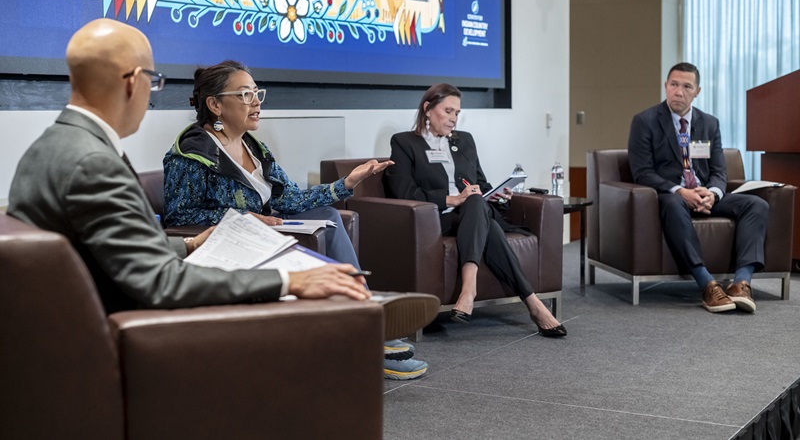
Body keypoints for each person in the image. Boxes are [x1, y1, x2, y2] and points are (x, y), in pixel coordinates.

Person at [7, 19, 437, 347]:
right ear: (130, 82)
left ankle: (358, 316)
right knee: (294, 281)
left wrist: (189, 246)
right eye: (152, 82)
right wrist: (287, 283)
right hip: (123, 326)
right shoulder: (92, 163)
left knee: (319, 228)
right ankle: (358, 320)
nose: (151, 94)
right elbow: (160, 283)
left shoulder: (58, 146)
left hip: (98, 310)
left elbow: (109, 252)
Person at [162, 59, 429, 379]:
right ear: (215, 104)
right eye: (245, 95)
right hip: (231, 244)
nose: (257, 102)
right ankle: (369, 328)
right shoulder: (190, 152)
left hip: (266, 232)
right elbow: (180, 215)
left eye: (257, 93)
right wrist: (243, 217)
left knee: (328, 216)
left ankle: (366, 316)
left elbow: (288, 198)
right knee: (323, 226)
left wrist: (346, 184)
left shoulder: (254, 147)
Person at [384, 83, 567, 338]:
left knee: (477, 201)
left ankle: (469, 291)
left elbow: (480, 184)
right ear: (427, 108)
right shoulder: (404, 143)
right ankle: (533, 303)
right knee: (482, 217)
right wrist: (452, 199)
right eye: (448, 111)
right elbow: (404, 193)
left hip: (473, 212)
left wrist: (499, 195)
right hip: (437, 219)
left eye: (457, 113)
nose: (453, 118)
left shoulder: (464, 141)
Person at [628, 62, 768, 313]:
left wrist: (712, 193)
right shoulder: (645, 121)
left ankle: (742, 283)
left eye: (686, 86)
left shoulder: (709, 123)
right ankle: (706, 284)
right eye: (673, 85)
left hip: (705, 194)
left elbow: (718, 171)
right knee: (671, 203)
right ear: (665, 86)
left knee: (757, 204)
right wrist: (680, 191)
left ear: (697, 91)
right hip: (673, 196)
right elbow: (642, 172)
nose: (678, 92)